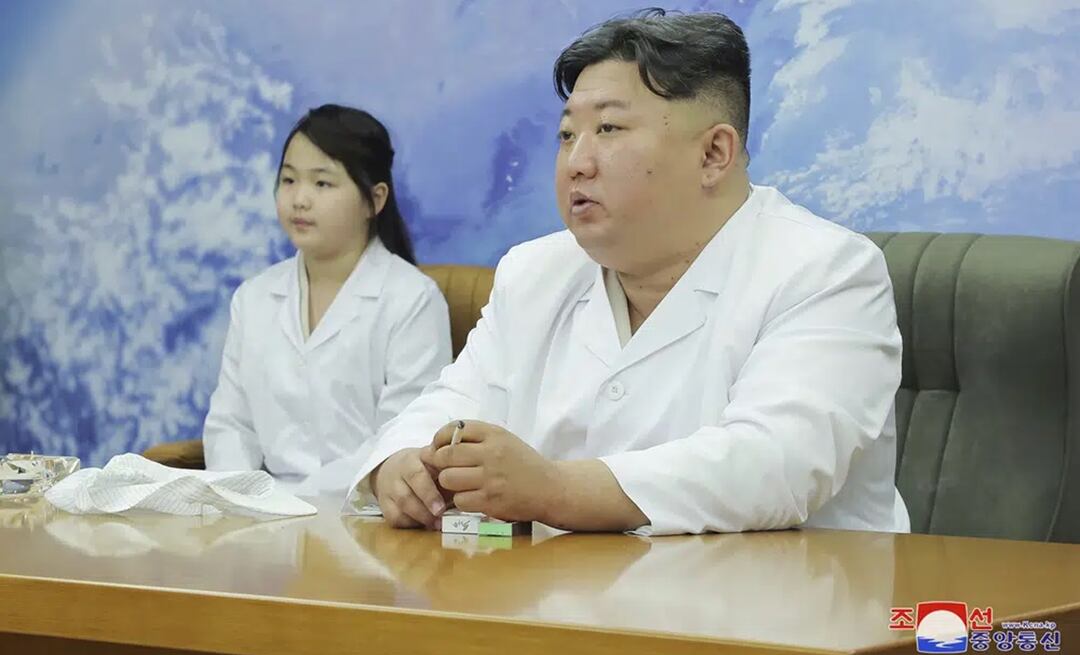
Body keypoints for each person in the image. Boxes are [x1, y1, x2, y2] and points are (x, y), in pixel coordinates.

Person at [346, 10, 910, 535]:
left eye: (609, 130)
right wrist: (399, 465)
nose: (577, 162)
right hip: (566, 608)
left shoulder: (826, 269)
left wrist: (557, 491)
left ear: (714, 153)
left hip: (789, 614)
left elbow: (777, 463)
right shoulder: (535, 269)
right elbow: (453, 403)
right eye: (568, 135)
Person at [204, 104, 451, 497]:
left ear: (375, 199)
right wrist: (240, 497)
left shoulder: (412, 300)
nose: (299, 199)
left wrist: (301, 500)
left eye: (322, 184)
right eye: (288, 180)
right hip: (261, 517)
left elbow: (402, 437)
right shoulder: (253, 298)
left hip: (365, 516)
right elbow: (230, 424)